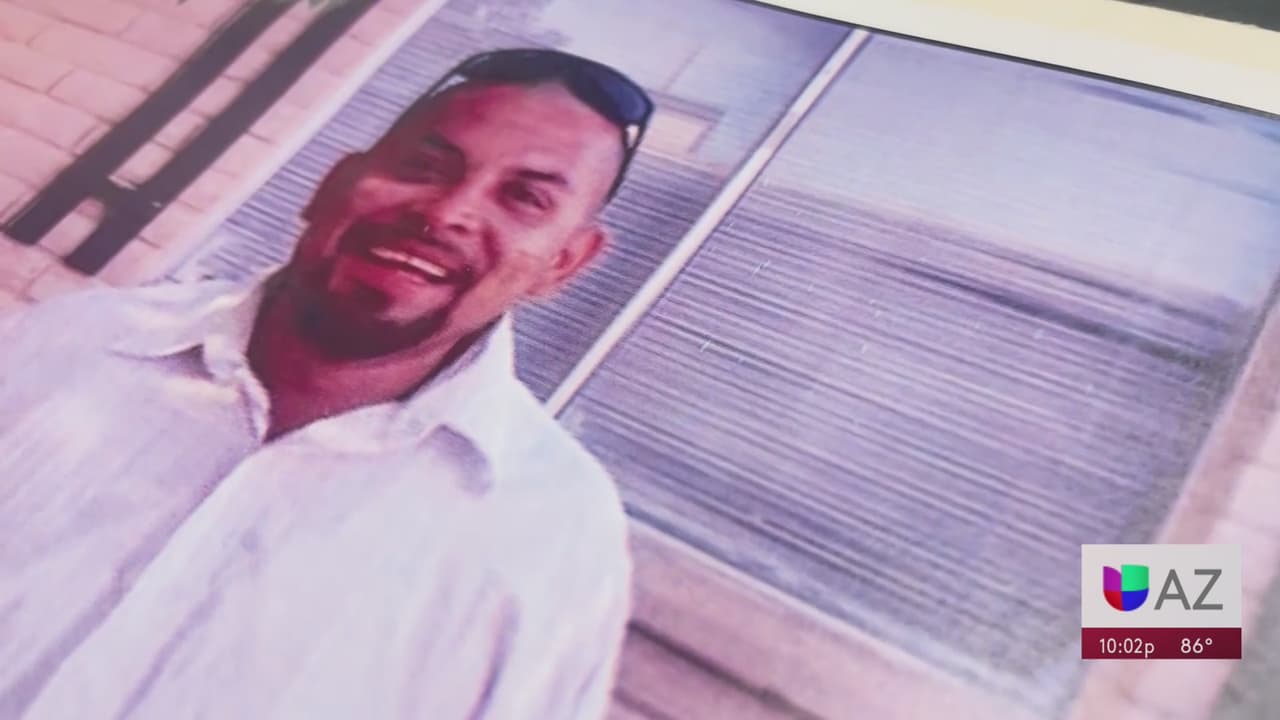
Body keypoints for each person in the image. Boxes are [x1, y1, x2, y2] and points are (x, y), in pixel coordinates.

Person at [0, 48, 653, 720]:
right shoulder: (76, 343)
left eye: (524, 198)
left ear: (562, 264)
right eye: (422, 167)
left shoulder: (552, 533)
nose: (447, 212)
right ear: (331, 185)